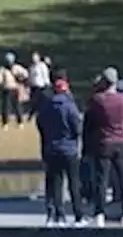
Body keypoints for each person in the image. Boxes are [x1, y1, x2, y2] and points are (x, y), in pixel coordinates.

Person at [84, 67, 123, 228]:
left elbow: (90, 120)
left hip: (104, 142)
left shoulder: (97, 100)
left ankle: (99, 214)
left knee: (101, 180)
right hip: (122, 142)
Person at [35, 69, 85, 227]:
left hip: (51, 148)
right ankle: (78, 215)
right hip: (69, 149)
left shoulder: (46, 105)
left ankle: (56, 215)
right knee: (73, 183)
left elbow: (40, 123)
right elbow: (77, 128)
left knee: (55, 183)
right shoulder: (69, 106)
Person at [0, 53, 29, 129]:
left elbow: (26, 74)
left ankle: (20, 122)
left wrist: (21, 78)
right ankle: (5, 123)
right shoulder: (2, 70)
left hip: (16, 89)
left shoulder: (17, 68)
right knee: (6, 107)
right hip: (7, 89)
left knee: (18, 106)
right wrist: (2, 83)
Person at [27, 53, 52, 120]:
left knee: (43, 102)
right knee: (34, 102)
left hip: (42, 86)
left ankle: (44, 115)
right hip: (34, 87)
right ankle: (31, 115)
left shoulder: (42, 66)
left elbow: (45, 75)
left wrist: (47, 83)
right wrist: (29, 85)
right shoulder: (31, 67)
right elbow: (30, 77)